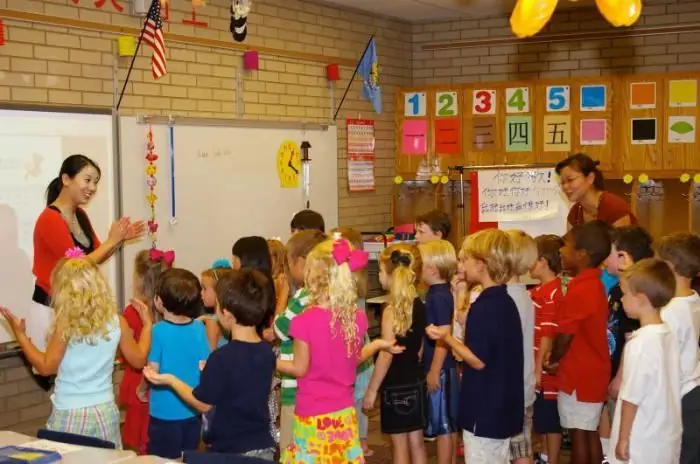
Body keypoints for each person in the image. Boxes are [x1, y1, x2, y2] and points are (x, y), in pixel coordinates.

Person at [1, 253, 152, 448]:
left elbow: (46, 367)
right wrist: (147, 326)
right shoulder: (117, 321)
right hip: (104, 410)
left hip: (70, 412)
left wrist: (21, 336)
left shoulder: (67, 324)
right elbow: (139, 360)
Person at [276, 237, 400, 462]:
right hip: (343, 412)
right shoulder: (356, 318)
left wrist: (270, 361)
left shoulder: (303, 322)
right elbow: (353, 359)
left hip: (312, 413)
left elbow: (300, 368)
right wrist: (376, 344)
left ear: (313, 277)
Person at [30, 155, 145, 388]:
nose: (92, 188)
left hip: (73, 308)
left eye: (96, 182)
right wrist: (112, 241)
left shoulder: (80, 215)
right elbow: (77, 266)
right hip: (49, 308)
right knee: (56, 373)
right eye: (88, 180)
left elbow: (95, 258)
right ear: (66, 179)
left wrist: (118, 241)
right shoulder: (50, 219)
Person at [144, 269, 277, 460]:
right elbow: (241, 385)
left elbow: (203, 404)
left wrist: (171, 380)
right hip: (263, 446)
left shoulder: (222, 358)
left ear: (227, 315)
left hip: (231, 452)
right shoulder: (267, 352)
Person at [426, 228, 524, 464]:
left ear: (483, 264)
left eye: (466, 259)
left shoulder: (485, 306)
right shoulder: (505, 300)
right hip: (503, 405)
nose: (462, 265)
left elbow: (478, 360)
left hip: (485, 408)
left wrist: (447, 338)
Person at [547, 221, 612, 464]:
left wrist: (553, 359)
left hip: (580, 375)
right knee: (588, 432)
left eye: (566, 246)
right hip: (590, 373)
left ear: (582, 254)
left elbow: (566, 333)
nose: (561, 252)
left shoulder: (582, 287)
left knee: (579, 436)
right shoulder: (592, 283)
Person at [608, 258, 681, 464]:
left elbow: (632, 397)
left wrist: (623, 438)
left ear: (640, 298)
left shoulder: (640, 343)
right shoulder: (668, 334)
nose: (621, 300)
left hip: (641, 439)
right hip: (664, 436)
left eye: (624, 294)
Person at [364, 243, 428, 464]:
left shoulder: (391, 310)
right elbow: (419, 347)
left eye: (380, 271)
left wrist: (372, 390)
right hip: (415, 379)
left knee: (399, 445)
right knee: (417, 443)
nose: (379, 276)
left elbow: (386, 354)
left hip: (395, 384)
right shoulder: (419, 304)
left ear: (391, 275)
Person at [146, 268, 211, 459]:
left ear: (159, 301)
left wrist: (142, 389)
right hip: (192, 409)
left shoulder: (158, 330)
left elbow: (153, 371)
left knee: (162, 460)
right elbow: (205, 364)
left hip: (164, 414)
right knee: (187, 457)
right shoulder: (199, 327)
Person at [602, 227, 653, 458]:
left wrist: (620, 377)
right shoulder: (616, 290)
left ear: (624, 256)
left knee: (626, 435)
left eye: (610, 252)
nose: (604, 257)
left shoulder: (636, 294)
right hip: (614, 373)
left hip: (627, 379)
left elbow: (630, 337)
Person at [119, 248, 172, 454]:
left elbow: (129, 352)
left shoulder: (133, 312)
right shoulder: (171, 309)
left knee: (142, 443)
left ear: (139, 279)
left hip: (140, 384)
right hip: (164, 382)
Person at [656, 232, 700, 464]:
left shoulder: (669, 311)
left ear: (668, 266)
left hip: (680, 394)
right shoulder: (694, 299)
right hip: (693, 387)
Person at [332, 227, 375, 457]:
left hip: (355, 345)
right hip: (349, 345)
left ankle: (361, 439)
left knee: (358, 396)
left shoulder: (353, 278)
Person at [417, 240, 459, 464]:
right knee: (448, 423)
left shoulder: (438, 296)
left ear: (432, 269)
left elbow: (444, 336)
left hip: (440, 367)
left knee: (443, 425)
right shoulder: (439, 292)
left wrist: (434, 370)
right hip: (442, 366)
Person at [530, 235, 565, 464]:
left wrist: (537, 369)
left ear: (542, 261)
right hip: (538, 367)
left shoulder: (553, 294)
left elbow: (548, 334)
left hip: (545, 371)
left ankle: (552, 459)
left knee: (551, 421)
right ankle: (543, 456)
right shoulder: (540, 290)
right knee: (542, 418)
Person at [505, 230, 538, 464]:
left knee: (516, 449)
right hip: (523, 384)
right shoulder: (523, 295)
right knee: (522, 448)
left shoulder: (507, 298)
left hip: (509, 387)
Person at [555, 153, 637, 229]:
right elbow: (570, 244)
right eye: (562, 183)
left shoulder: (615, 208)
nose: (565, 186)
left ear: (590, 178)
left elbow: (622, 244)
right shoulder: (575, 213)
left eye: (570, 180)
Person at [199, 259, 233, 350]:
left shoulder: (212, 322)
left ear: (218, 291)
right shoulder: (229, 317)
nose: (201, 293)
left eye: (204, 288)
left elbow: (210, 357)